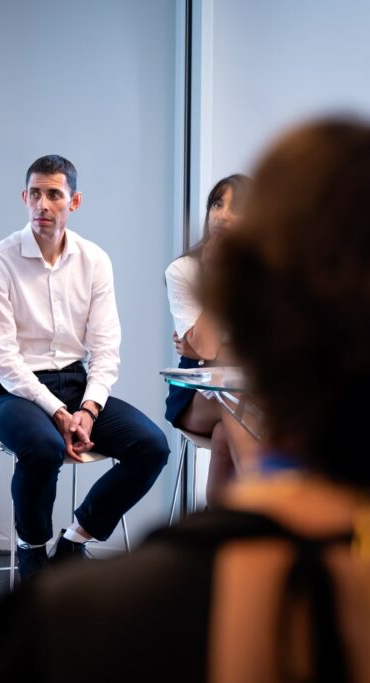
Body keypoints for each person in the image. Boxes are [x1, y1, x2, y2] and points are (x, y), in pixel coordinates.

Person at [0, 121, 370, 681]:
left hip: (127, 462)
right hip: (33, 393)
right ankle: (42, 544)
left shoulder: (66, 625)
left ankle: (98, 536)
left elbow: (125, 349)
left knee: (182, 439)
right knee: (207, 427)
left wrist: (91, 405)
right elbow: (26, 358)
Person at [0, 154, 170, 580]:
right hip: (9, 392)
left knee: (152, 446)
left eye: (54, 195)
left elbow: (106, 348)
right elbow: (5, 360)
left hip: (75, 386)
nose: (42, 205)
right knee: (44, 448)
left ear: (74, 201)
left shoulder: (94, 260)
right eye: (35, 194)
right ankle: (32, 551)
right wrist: (59, 413)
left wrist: (88, 409)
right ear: (24, 198)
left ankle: (75, 539)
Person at [165, 174, 260, 494]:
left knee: (225, 435)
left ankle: (218, 521)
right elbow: (205, 349)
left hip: (256, 389)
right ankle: (263, 504)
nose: (222, 215)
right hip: (198, 396)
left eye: (237, 208)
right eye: (217, 204)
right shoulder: (183, 270)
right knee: (238, 405)